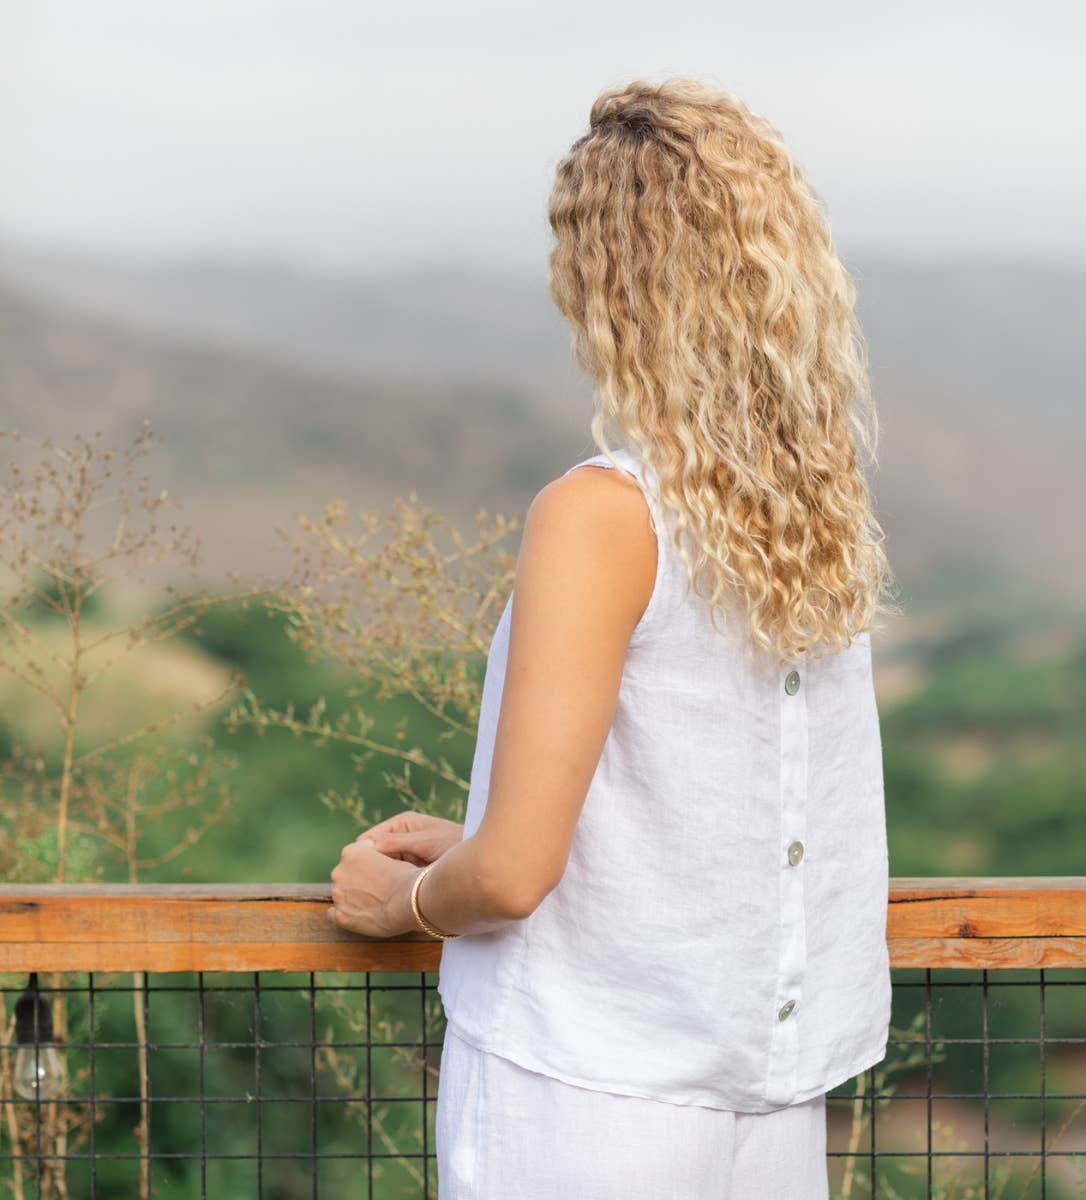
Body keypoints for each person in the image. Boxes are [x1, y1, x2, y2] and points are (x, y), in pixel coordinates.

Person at [328, 75, 901, 1200]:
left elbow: (511, 880)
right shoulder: (815, 525)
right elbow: (730, 828)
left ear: (610, 290)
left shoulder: (601, 516)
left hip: (582, 1095)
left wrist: (399, 903)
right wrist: (494, 834)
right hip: (771, 1104)